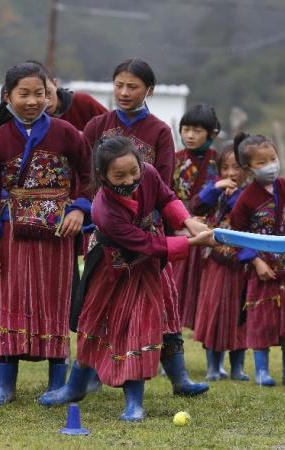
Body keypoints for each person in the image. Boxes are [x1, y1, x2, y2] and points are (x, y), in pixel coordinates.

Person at [54, 136, 214, 421]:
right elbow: (145, 244)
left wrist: (188, 222)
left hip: (151, 262)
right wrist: (191, 243)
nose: (129, 180)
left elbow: (167, 198)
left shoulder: (148, 174)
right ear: (103, 176)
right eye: (120, 176)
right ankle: (78, 388)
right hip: (114, 268)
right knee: (109, 325)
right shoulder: (104, 209)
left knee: (160, 318)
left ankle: (179, 381)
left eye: (134, 171)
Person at [84, 58, 208, 396]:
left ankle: (179, 378)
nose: (124, 92)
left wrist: (183, 222)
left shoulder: (159, 131)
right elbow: (85, 177)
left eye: (133, 86)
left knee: (163, 303)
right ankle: (90, 375)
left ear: (148, 91)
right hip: (108, 231)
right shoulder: (96, 126)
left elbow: (162, 186)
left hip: (148, 229)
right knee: (101, 306)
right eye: (119, 85)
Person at [0, 62, 92, 407]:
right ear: (7, 96)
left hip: (58, 232)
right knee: (11, 301)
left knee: (55, 301)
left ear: (48, 94)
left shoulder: (67, 133)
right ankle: (4, 384)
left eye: (38, 93)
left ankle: (58, 383)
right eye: (23, 94)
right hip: (12, 233)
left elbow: (89, 175)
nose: (31, 101)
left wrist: (79, 208)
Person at [229, 133, 285, 387]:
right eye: (262, 162)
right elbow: (238, 236)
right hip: (262, 272)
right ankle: (262, 371)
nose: (271, 165)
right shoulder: (245, 199)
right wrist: (256, 262)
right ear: (248, 168)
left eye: (273, 159)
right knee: (261, 320)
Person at [191, 145, 250, 381]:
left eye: (236, 167)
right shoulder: (214, 190)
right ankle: (213, 367)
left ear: (247, 170)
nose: (231, 173)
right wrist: (216, 188)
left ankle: (237, 367)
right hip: (214, 260)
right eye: (225, 167)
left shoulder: (249, 194)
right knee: (213, 311)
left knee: (239, 313)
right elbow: (196, 205)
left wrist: (236, 195)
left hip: (241, 262)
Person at [172, 104, 221, 332]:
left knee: (208, 293)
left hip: (210, 234)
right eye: (186, 129)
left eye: (197, 131)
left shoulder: (219, 163)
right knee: (174, 292)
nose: (190, 135)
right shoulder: (174, 160)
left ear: (212, 134)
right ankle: (171, 340)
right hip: (179, 231)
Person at [29, 60, 107, 131]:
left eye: (48, 92)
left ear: (55, 84)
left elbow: (111, 125)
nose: (47, 102)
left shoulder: (82, 102)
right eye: (38, 96)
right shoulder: (31, 120)